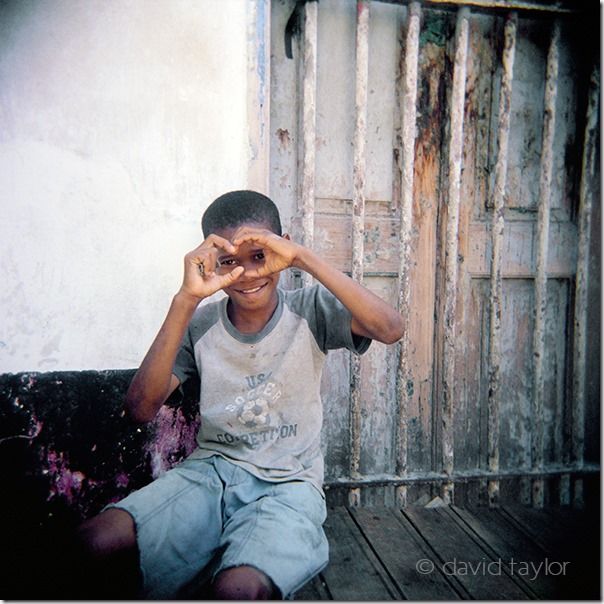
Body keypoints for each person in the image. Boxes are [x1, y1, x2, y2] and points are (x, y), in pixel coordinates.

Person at [76, 190, 404, 599]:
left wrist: (304, 257)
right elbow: (141, 409)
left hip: (287, 482)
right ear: (212, 262)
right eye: (230, 261)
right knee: (93, 541)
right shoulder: (200, 323)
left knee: (236, 589)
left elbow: (391, 328)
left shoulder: (311, 308)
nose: (247, 274)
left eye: (260, 255)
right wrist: (187, 297)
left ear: (282, 247)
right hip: (210, 473)